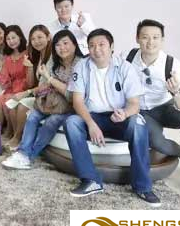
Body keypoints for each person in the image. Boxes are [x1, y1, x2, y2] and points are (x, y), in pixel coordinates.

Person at [64, 28, 161, 207]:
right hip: (93, 117)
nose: (96, 49)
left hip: (119, 118)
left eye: (101, 44)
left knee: (138, 123)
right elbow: (77, 101)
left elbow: (134, 104)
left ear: (111, 46)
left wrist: (125, 113)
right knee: (71, 122)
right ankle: (91, 180)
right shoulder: (82, 66)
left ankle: (142, 186)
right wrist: (91, 124)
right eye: (92, 45)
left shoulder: (125, 67)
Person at [125, 19, 180, 199]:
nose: (150, 42)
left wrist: (176, 91)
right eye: (145, 37)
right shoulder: (128, 58)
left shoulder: (173, 64)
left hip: (165, 106)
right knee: (156, 142)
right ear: (137, 38)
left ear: (162, 40)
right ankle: (179, 150)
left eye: (155, 37)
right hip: (141, 111)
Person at [2, 30, 83, 169]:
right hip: (52, 101)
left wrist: (50, 79)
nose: (62, 48)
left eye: (65, 43)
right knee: (32, 116)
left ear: (75, 44)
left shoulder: (81, 64)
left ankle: (28, 156)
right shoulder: (54, 60)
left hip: (70, 107)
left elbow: (71, 94)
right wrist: (32, 91)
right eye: (58, 45)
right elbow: (44, 85)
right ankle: (22, 153)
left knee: (52, 121)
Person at [0, 25, 32, 147]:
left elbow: (31, 81)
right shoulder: (8, 58)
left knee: (9, 102)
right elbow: (5, 81)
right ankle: (9, 130)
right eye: (8, 39)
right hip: (12, 88)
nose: (11, 41)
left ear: (20, 37)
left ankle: (15, 134)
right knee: (0, 101)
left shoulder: (28, 53)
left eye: (13, 37)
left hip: (25, 88)